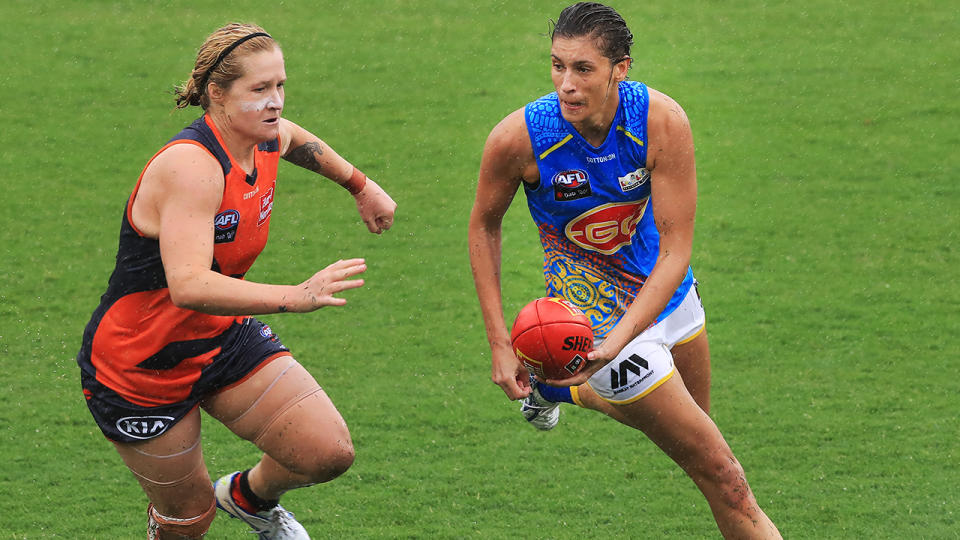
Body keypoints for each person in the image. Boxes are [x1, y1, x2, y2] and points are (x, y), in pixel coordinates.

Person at [468, 3, 782, 538]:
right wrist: (500, 341)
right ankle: (575, 378)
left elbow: (676, 248)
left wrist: (624, 340)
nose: (566, 84)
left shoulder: (661, 122)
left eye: (583, 68)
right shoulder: (518, 140)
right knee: (724, 476)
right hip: (592, 318)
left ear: (621, 68)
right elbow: (483, 227)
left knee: (699, 449)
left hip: (669, 295)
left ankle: (559, 388)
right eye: (557, 65)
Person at [76, 23, 397, 540]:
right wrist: (294, 297)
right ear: (216, 95)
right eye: (259, 90)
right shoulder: (192, 166)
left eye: (281, 86)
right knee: (189, 518)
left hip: (219, 334)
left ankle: (248, 500)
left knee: (325, 453)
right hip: (142, 366)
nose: (275, 102)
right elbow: (188, 285)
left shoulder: (265, 137)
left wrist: (361, 186)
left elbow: (298, 140)